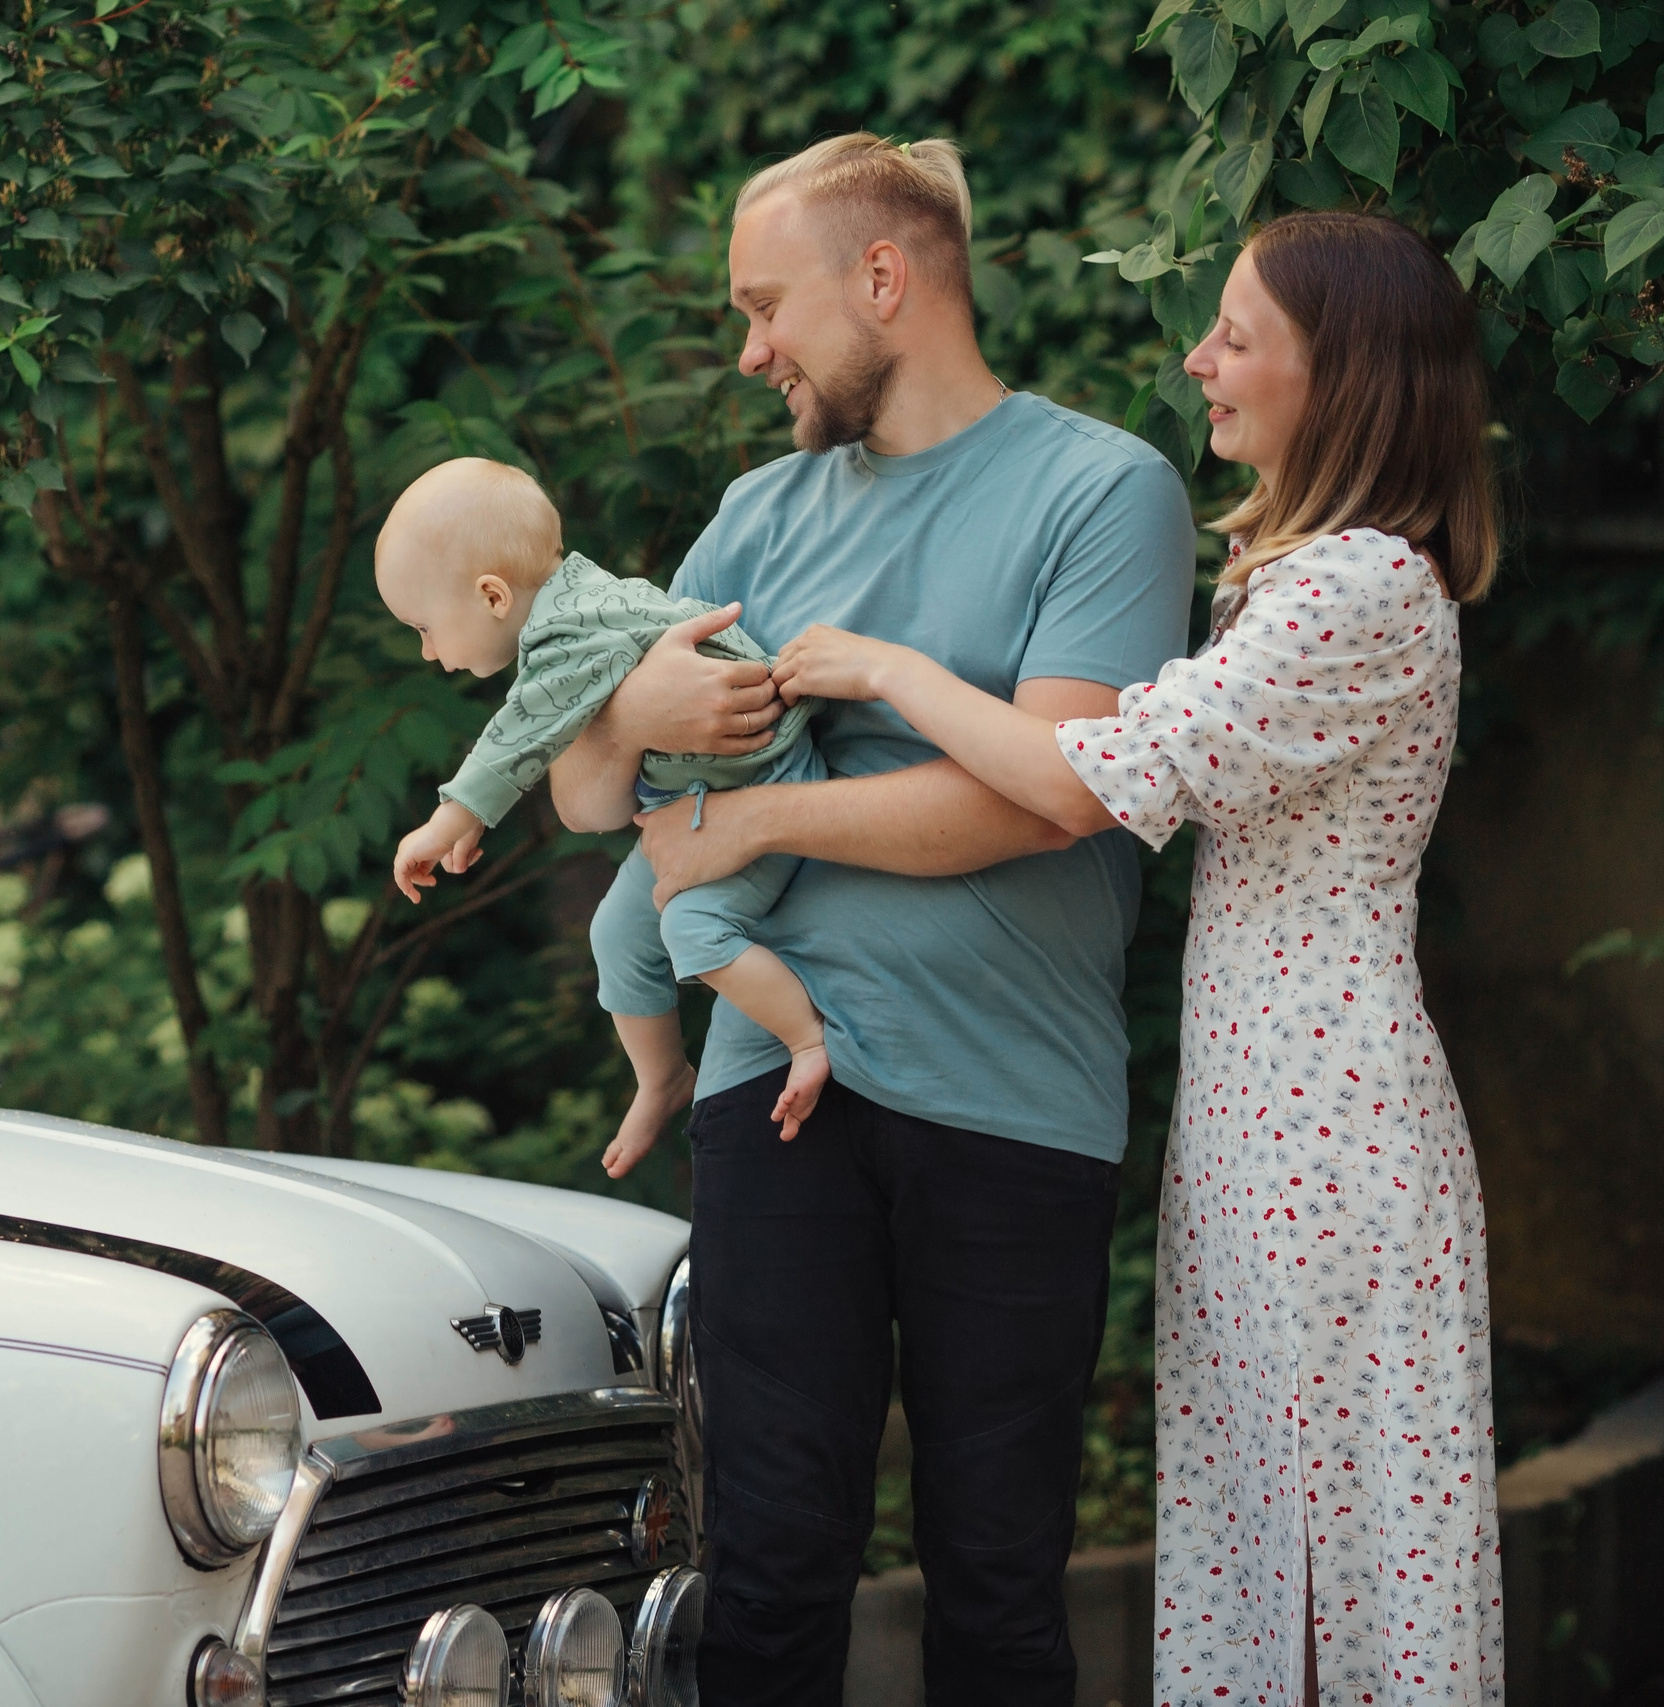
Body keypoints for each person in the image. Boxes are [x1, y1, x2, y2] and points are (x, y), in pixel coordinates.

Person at [770, 209, 1504, 1704]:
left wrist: (889, 667)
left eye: (1237, 335)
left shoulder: (1359, 589)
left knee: (1327, 1545)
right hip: (1263, 1116)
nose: (1198, 361)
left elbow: (1088, 776)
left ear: (1341, 372)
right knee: (1266, 1528)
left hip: (1326, 1128)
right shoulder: (1301, 580)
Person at [547, 134, 1197, 1705]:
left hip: (1014, 1098)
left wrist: (757, 819)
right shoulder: (755, 514)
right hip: (772, 1093)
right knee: (769, 1572)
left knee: (997, 1585)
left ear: (885, 278)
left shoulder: (1104, 489)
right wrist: (629, 707)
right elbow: (582, 791)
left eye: (768, 307)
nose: (752, 350)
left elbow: (1048, 795)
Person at [381, 457, 833, 1158]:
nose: (426, 651)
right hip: (701, 802)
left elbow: (519, 733)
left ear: (493, 595)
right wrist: (472, 818)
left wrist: (450, 819)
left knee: (693, 927)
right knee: (615, 936)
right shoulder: (580, 609)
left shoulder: (571, 633)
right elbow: (547, 737)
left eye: (424, 626)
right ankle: (662, 1078)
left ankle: (807, 1040)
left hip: (768, 789)